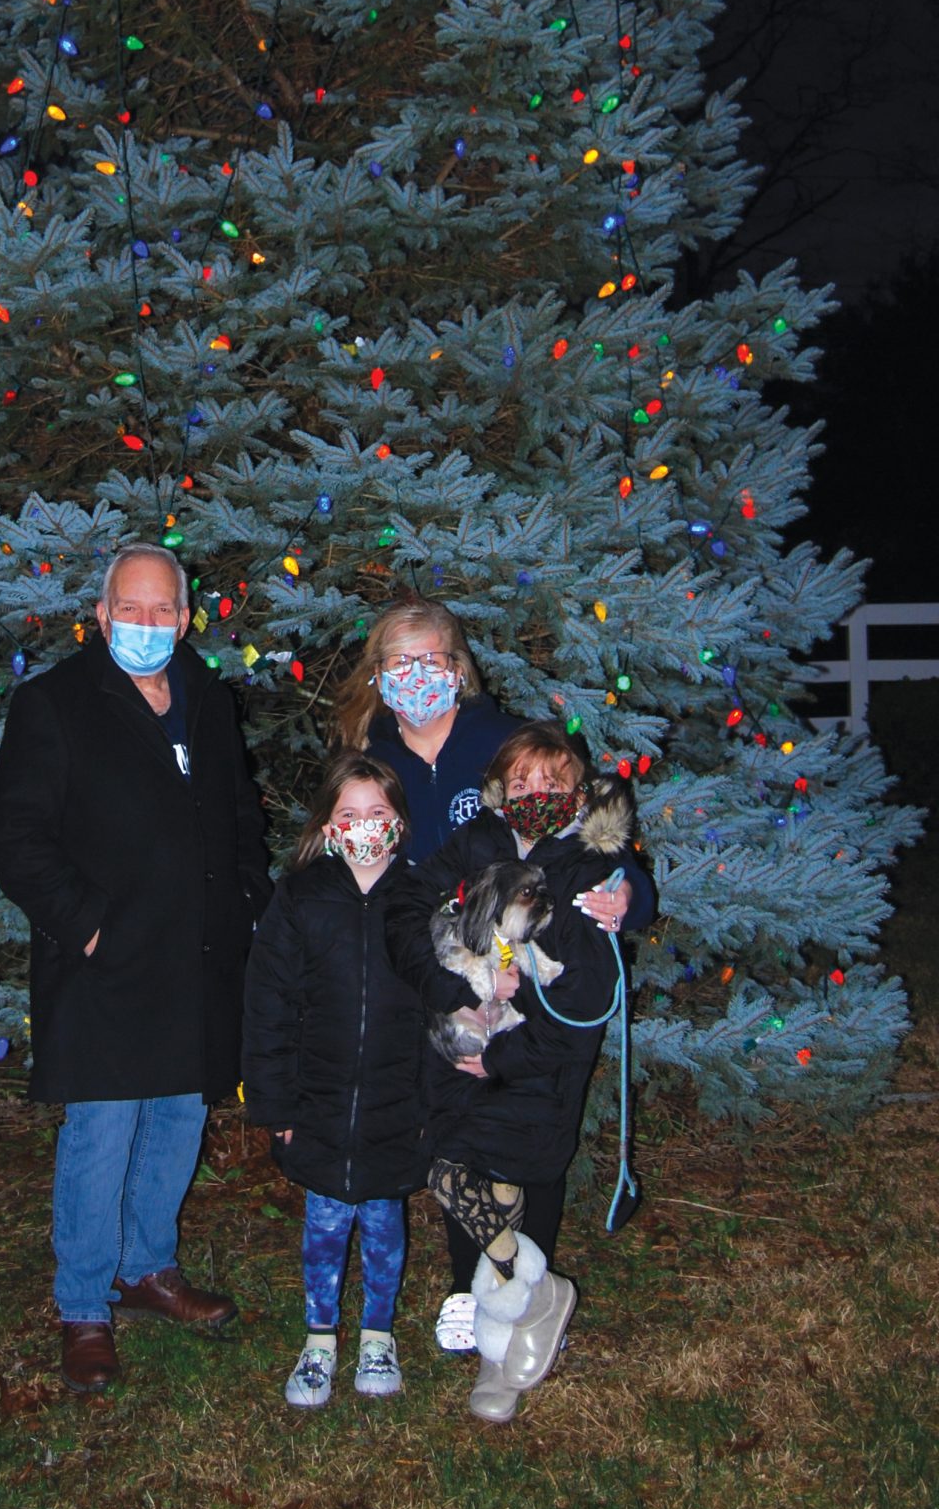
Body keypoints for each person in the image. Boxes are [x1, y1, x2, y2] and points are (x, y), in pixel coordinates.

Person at [333, 596, 655, 1350]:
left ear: (457, 667)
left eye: (431, 660)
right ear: (380, 673)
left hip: (537, 985)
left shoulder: (506, 743)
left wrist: (625, 896)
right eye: (399, 662)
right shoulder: (375, 751)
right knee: (457, 1122)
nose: (416, 676)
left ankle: (529, 1283)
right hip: (443, 969)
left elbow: (608, 858)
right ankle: (465, 1282)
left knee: (530, 1134)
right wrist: (434, 975)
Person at [0, 542, 270, 1393]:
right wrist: (91, 929)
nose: (147, 626)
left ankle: (148, 1268)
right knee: (104, 1129)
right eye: (130, 610)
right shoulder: (55, 704)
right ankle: (82, 1304)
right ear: (102, 615)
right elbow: (19, 839)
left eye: (163, 612)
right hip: (106, 959)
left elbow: (237, 810)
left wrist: (247, 897)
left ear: (186, 619)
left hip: (196, 951)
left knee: (177, 1114)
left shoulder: (208, 698)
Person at [386, 718, 638, 1424]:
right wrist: (446, 988)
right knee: (454, 1168)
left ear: (578, 793)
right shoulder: (477, 844)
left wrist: (500, 1055)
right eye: (522, 779)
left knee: (522, 1180)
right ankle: (523, 1297)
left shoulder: (587, 871)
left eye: (553, 782)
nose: (535, 792)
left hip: (536, 1067)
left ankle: (506, 1349)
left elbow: (583, 995)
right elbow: (410, 899)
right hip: (464, 1048)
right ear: (499, 786)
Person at [241, 752, 428, 1409]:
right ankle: (319, 1340)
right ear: (325, 825)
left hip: (397, 1102)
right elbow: (268, 1005)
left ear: (400, 823)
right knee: (323, 1225)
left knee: (383, 1223)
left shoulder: (421, 898)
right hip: (317, 1101)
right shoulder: (299, 897)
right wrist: (276, 1100)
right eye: (349, 813)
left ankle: (378, 1334)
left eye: (378, 813)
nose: (364, 825)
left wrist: (435, 1102)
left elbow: (445, 1003)